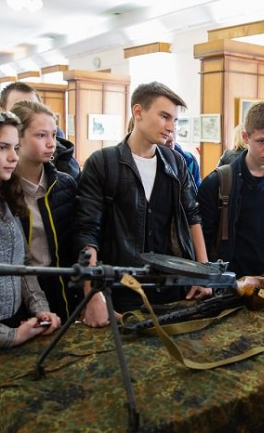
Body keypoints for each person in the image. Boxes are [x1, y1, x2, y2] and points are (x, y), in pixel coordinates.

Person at [74, 82, 210, 327]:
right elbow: (87, 232)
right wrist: (92, 294)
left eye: (175, 120)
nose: (171, 127)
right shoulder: (102, 163)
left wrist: (203, 274)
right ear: (138, 112)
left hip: (173, 291)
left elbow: (193, 216)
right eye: (164, 117)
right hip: (121, 292)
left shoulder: (176, 162)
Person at [0, 109, 61, 392]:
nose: (14, 157)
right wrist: (9, 336)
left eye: (15, 148)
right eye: (2, 148)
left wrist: (40, 309)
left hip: (13, 329)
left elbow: (22, 264)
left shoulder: (3, 197)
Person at [198, 102, 264, 284]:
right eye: (262, 141)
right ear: (245, 137)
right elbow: (203, 238)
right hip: (230, 283)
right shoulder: (216, 183)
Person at [10, 101, 79, 323]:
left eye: (53, 135)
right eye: (41, 135)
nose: (51, 143)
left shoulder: (65, 184)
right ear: (17, 138)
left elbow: (75, 243)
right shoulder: (0, 190)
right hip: (18, 293)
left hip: (62, 286)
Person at [0, 82, 81, 183]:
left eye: (33, 105)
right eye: (18, 108)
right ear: (2, 112)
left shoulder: (64, 159)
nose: (29, 111)